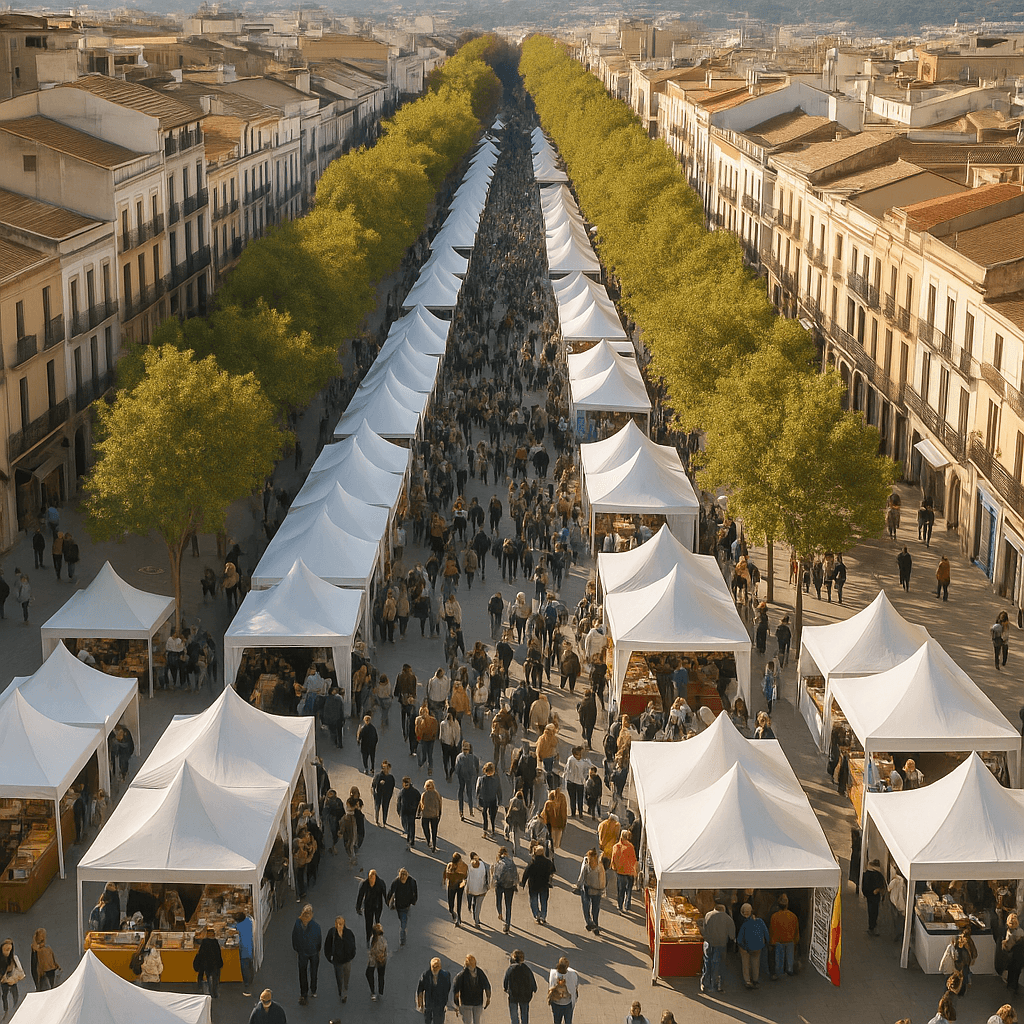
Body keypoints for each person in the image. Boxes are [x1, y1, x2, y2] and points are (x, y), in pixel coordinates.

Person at [699, 902, 735, 993]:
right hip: (721, 944)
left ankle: (704, 984)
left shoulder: (708, 915)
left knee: (707, 963)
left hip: (709, 943)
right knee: (718, 965)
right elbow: (732, 936)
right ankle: (715, 985)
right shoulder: (728, 919)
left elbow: (704, 929)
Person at [291, 904, 321, 1006]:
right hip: (313, 952)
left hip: (302, 952)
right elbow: (319, 940)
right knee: (314, 971)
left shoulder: (297, 924)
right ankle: (313, 990)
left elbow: (294, 938)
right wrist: (317, 949)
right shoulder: (316, 926)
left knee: (302, 973)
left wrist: (297, 949)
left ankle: (304, 993)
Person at [736, 903, 770, 989]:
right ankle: (755, 980)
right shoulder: (760, 921)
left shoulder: (744, 924)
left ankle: (747, 981)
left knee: (745, 964)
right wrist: (767, 943)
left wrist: (742, 946)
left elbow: (739, 939)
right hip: (758, 946)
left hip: (746, 947)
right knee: (756, 963)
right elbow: (766, 933)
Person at [521, 844, 557, 925]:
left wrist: (523, 883)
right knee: (544, 901)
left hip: (533, 886)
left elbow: (526, 873)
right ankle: (543, 916)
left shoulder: (532, 863)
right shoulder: (548, 862)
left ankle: (537, 915)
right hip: (544, 885)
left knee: (533, 901)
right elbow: (553, 871)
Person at [324, 915, 356, 1003]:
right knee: (339, 978)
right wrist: (329, 957)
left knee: (346, 977)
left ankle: (344, 992)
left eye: (341, 924)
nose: (339, 926)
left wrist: (352, 955)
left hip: (347, 960)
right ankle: (341, 992)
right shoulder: (332, 933)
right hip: (337, 961)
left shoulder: (348, 933)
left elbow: (353, 945)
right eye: (338, 924)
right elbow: (327, 945)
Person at [453, 953, 491, 1024]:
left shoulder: (461, 975)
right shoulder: (480, 973)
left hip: (466, 1003)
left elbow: (456, 991)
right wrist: (488, 998)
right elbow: (487, 985)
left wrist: (457, 1004)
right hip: (478, 1002)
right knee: (477, 1022)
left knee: (467, 1022)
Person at [768, 894, 799, 979]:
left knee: (779, 959)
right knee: (790, 958)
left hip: (779, 941)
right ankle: (789, 970)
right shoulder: (793, 916)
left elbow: (772, 930)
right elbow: (796, 930)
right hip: (790, 941)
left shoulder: (774, 916)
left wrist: (771, 942)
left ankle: (779, 972)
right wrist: (796, 940)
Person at [356, 869, 388, 948]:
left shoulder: (380, 883)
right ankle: (368, 939)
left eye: (373, 877)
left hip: (378, 906)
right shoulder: (365, 883)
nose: (372, 879)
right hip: (368, 906)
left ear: (375, 877)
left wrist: (389, 903)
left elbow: (385, 895)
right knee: (368, 923)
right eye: (370, 877)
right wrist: (358, 907)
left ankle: (377, 938)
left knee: (377, 922)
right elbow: (360, 895)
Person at [503, 949, 537, 1024]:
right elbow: (532, 980)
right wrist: (534, 988)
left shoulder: (511, 969)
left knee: (514, 1016)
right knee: (524, 1015)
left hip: (513, 995)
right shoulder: (526, 969)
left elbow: (506, 980)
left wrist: (505, 988)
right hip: (525, 996)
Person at [577, 848, 606, 934]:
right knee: (592, 908)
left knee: (589, 908)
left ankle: (592, 923)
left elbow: (582, 876)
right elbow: (602, 880)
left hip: (591, 890)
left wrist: (578, 886)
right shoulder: (596, 866)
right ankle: (593, 924)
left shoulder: (592, 866)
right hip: (592, 890)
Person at [387, 867, 418, 946]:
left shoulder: (412, 881)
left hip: (407, 905)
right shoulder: (396, 882)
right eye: (402, 879)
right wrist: (388, 903)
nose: (403, 880)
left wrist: (413, 901)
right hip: (399, 906)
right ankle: (403, 934)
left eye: (404, 879)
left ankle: (402, 940)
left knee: (403, 923)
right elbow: (390, 892)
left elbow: (415, 892)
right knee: (403, 920)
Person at [417, 956, 452, 1024]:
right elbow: (420, 990)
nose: (435, 968)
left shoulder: (446, 975)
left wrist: (445, 1003)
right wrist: (420, 1004)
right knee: (427, 1021)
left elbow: (447, 989)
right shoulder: (425, 975)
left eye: (437, 967)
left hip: (440, 1004)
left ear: (440, 966)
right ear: (430, 966)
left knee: (439, 1022)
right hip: (429, 1004)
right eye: (433, 967)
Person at [611, 828, 638, 912]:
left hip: (621, 871)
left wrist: (614, 867)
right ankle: (627, 905)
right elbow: (634, 859)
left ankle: (620, 906)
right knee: (629, 889)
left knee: (621, 890)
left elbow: (614, 858)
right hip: (630, 871)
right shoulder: (631, 847)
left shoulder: (617, 847)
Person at [493, 847, 519, 934]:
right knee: (508, 905)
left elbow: (495, 875)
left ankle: (500, 913)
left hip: (500, 885)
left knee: (499, 900)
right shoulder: (511, 862)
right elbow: (515, 873)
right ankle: (507, 923)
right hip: (510, 886)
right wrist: (515, 883)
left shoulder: (499, 863)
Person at [547, 957, 579, 1024]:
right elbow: (575, 986)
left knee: (557, 1021)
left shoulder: (553, 974)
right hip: (567, 1003)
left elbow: (551, 985)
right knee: (568, 1021)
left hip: (556, 1003)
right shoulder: (572, 975)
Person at [193, 927, 223, 998]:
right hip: (215, 964)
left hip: (206, 964)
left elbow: (201, 953)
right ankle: (215, 993)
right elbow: (218, 954)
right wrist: (220, 963)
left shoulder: (204, 942)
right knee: (215, 979)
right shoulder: (215, 942)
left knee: (209, 978)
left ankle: (210, 992)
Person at [477, 761, 503, 838]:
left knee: (484, 815)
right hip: (493, 800)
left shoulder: (482, 779)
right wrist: (500, 800)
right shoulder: (496, 780)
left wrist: (478, 797)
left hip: (484, 800)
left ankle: (485, 831)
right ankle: (493, 830)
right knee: (492, 816)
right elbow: (499, 790)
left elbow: (478, 789)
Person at [455, 742, 481, 820]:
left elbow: (457, 767)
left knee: (461, 792)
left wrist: (458, 773)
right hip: (469, 777)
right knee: (469, 792)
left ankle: (461, 811)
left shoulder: (459, 757)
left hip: (462, 776)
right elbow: (477, 767)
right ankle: (470, 809)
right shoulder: (473, 757)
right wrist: (475, 774)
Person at [0, 939, 25, 1017]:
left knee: (15, 996)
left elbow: (20, 971)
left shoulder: (14, 959)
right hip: (4, 982)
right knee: (5, 996)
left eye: (10, 950)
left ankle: (15, 1010)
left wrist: (14, 979)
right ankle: (6, 1012)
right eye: (6, 950)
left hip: (12, 981)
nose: (8, 952)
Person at [444, 852, 470, 927]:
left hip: (455, 886)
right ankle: (454, 913)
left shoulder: (463, 866)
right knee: (455, 901)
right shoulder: (451, 866)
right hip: (457, 885)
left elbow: (465, 875)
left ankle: (457, 915)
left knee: (455, 900)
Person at [862, 859, 886, 935]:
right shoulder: (878, 875)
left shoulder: (867, 874)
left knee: (872, 911)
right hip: (874, 897)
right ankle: (872, 926)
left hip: (871, 897)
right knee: (874, 912)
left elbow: (864, 887)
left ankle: (872, 926)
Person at [466, 851, 490, 927]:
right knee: (478, 905)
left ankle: (472, 911)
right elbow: (488, 876)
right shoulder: (485, 865)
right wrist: (488, 886)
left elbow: (468, 878)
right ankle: (476, 919)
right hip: (482, 889)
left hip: (472, 888)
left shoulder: (470, 867)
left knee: (473, 901)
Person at [366, 922, 388, 1001]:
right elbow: (385, 950)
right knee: (381, 976)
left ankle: (373, 991)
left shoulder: (373, 939)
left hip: (373, 960)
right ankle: (380, 991)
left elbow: (371, 951)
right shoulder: (383, 940)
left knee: (369, 973)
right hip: (382, 960)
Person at [397, 776, 421, 850]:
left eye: (407, 783)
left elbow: (420, 801)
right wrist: (398, 810)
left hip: (411, 811)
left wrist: (418, 810)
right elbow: (399, 801)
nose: (406, 785)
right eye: (405, 783)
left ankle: (411, 840)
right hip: (404, 811)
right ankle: (408, 835)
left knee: (411, 825)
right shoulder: (402, 792)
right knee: (405, 825)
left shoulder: (414, 792)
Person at [420, 779, 443, 851]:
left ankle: (428, 840)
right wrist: (439, 813)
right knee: (434, 830)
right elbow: (440, 804)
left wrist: (420, 812)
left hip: (425, 815)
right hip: (434, 815)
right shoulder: (437, 794)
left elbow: (421, 804)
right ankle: (434, 844)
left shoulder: (424, 794)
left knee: (425, 828)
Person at [372, 761, 396, 827]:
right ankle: (377, 820)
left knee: (385, 808)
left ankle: (384, 821)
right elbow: (373, 785)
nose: (387, 770)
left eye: (388, 768)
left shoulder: (391, 778)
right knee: (377, 807)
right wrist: (379, 784)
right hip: (378, 795)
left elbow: (392, 786)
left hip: (387, 795)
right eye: (385, 768)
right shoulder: (378, 776)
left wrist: (390, 795)